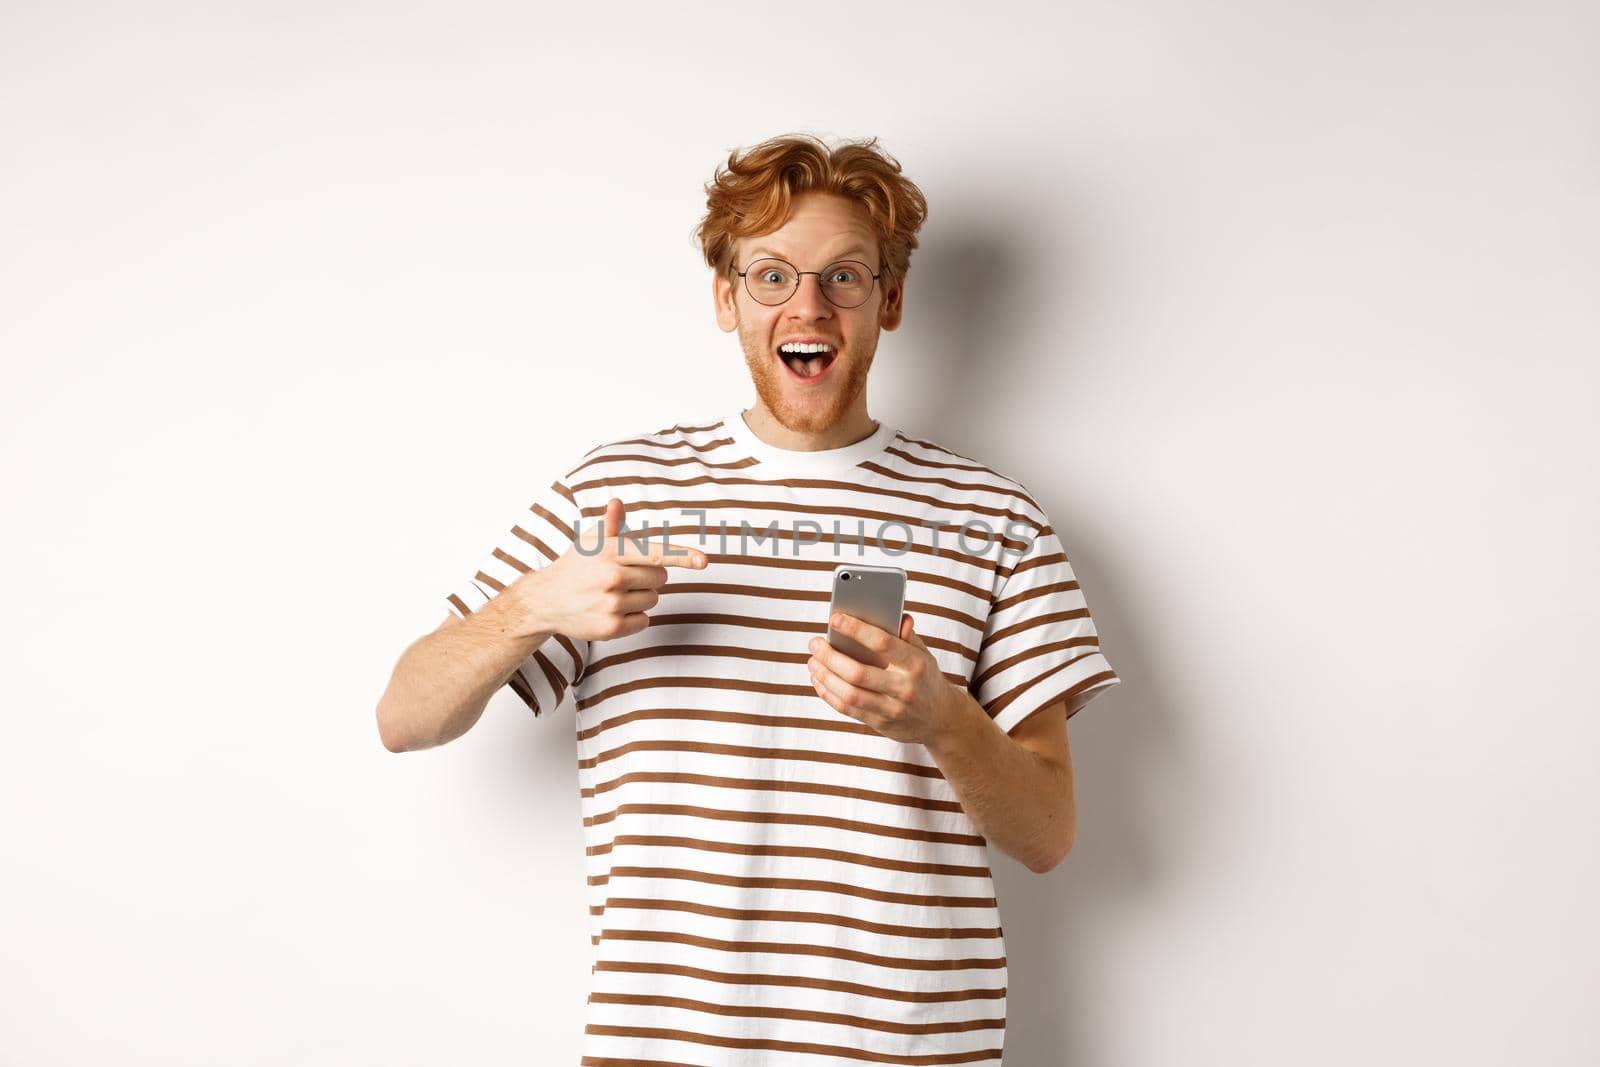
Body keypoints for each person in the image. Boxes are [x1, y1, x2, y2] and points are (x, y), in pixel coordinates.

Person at [374, 132, 1120, 1065]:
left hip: (911, 1049)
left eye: (844, 276)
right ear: (727, 298)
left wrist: (945, 721)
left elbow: (1049, 833)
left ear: (889, 299)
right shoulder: (620, 496)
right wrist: (527, 607)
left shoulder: (992, 516)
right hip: (664, 1049)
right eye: (772, 275)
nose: (808, 305)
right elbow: (404, 715)